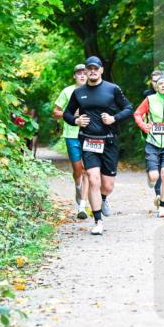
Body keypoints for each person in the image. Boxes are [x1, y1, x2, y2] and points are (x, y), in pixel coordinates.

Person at [62, 56, 133, 235]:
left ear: (101, 70)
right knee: (93, 179)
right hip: (88, 140)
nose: (92, 71)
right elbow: (66, 114)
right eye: (89, 68)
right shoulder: (78, 93)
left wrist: (114, 118)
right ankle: (98, 221)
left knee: (107, 186)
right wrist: (76, 120)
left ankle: (103, 198)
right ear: (85, 71)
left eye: (96, 68)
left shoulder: (112, 89)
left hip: (109, 140)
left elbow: (128, 108)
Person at [134, 74, 164, 218]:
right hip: (152, 142)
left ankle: (162, 206)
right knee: (154, 176)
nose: (163, 85)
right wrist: (144, 126)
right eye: (160, 83)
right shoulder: (149, 100)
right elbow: (137, 114)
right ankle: (151, 178)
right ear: (156, 86)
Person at [52, 64, 89, 219]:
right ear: (74, 76)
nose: (82, 76)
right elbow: (55, 112)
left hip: (90, 134)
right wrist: (69, 114)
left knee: (88, 169)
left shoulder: (94, 91)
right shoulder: (67, 91)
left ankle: (83, 205)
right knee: (77, 169)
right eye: (79, 73)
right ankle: (78, 186)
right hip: (71, 134)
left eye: (84, 73)